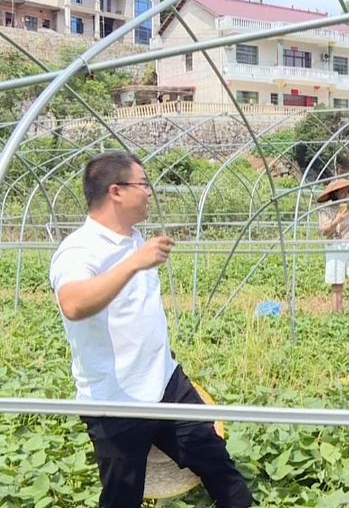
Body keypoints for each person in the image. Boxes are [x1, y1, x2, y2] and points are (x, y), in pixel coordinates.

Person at [48, 151, 253, 508]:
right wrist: (133, 264)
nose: (149, 192)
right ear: (116, 191)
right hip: (115, 402)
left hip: (165, 384)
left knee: (218, 465)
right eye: (143, 184)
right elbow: (74, 304)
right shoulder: (78, 251)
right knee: (122, 497)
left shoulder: (134, 238)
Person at [317, 178, 349, 313]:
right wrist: (336, 221)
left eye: (347, 190)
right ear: (335, 193)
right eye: (342, 190)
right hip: (335, 247)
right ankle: (337, 316)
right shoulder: (326, 210)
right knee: (337, 286)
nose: (345, 192)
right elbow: (324, 231)